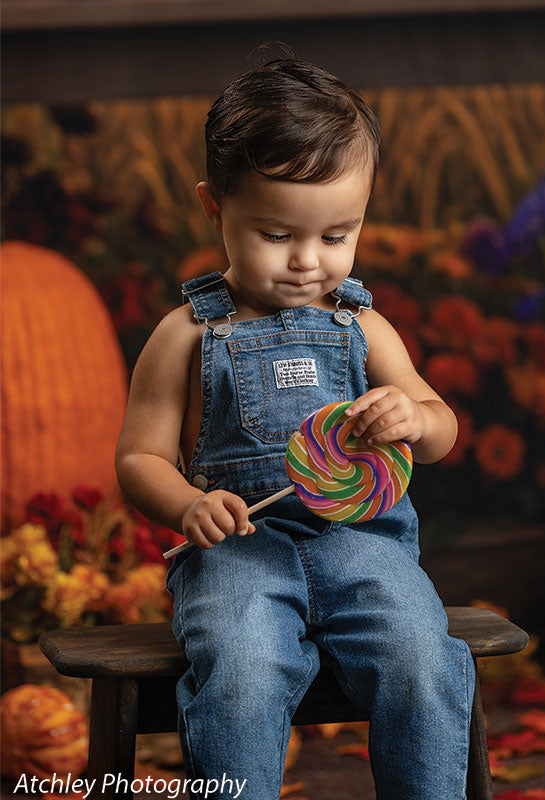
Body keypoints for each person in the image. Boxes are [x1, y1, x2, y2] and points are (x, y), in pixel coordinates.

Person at [116, 54, 475, 800]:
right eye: (277, 235)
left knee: (421, 656)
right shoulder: (185, 335)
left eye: (338, 235)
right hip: (240, 554)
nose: (309, 262)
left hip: (363, 544)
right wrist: (186, 504)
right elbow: (139, 458)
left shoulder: (362, 328)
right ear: (215, 209)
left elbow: (440, 428)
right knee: (241, 670)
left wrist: (413, 417)